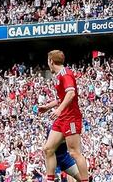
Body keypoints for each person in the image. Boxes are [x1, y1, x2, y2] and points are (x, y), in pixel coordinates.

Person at [40, 50, 91, 182]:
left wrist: (59, 110)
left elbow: (71, 94)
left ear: (51, 61)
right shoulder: (58, 76)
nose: (48, 64)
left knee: (74, 152)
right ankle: (50, 179)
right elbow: (61, 98)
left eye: (48, 61)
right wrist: (48, 107)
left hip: (71, 118)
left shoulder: (65, 74)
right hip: (62, 118)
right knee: (48, 149)